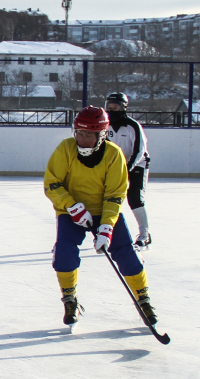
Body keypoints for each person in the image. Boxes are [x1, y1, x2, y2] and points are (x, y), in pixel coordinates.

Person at [44, 106, 157, 329]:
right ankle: (70, 300)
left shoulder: (114, 155)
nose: (82, 139)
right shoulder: (65, 149)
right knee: (64, 253)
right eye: (79, 133)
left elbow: (115, 195)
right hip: (71, 212)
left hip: (103, 211)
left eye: (88, 134)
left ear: (101, 135)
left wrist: (105, 227)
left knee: (126, 254)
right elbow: (52, 184)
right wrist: (73, 207)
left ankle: (143, 300)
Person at [104, 92, 152, 248]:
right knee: (107, 198)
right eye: (109, 107)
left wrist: (128, 169)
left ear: (124, 107)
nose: (111, 110)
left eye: (115, 107)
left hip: (137, 165)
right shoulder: (105, 125)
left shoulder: (133, 126)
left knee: (135, 198)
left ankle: (144, 235)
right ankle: (105, 232)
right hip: (116, 166)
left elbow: (140, 151)